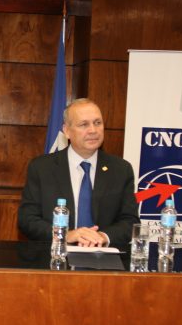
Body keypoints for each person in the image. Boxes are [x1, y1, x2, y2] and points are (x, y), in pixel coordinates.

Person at [18, 98, 139, 247]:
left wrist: (102, 237)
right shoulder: (42, 168)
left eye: (97, 123)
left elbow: (130, 221)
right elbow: (27, 220)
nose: (93, 130)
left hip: (102, 255)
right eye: (84, 124)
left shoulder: (121, 170)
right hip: (55, 254)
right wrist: (65, 235)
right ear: (67, 131)